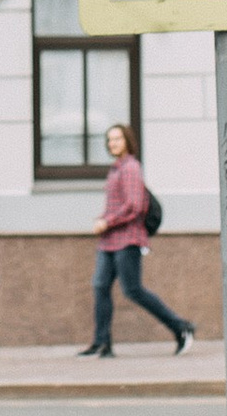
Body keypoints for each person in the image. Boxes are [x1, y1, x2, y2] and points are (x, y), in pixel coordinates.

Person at [75, 120, 195, 359]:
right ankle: (102, 344)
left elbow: (134, 206)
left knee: (133, 290)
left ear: (127, 141)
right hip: (109, 241)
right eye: (110, 140)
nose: (113, 143)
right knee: (100, 286)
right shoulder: (116, 168)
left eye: (117, 139)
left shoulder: (130, 167)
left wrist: (107, 222)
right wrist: (103, 219)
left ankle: (181, 328)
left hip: (128, 240)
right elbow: (119, 204)